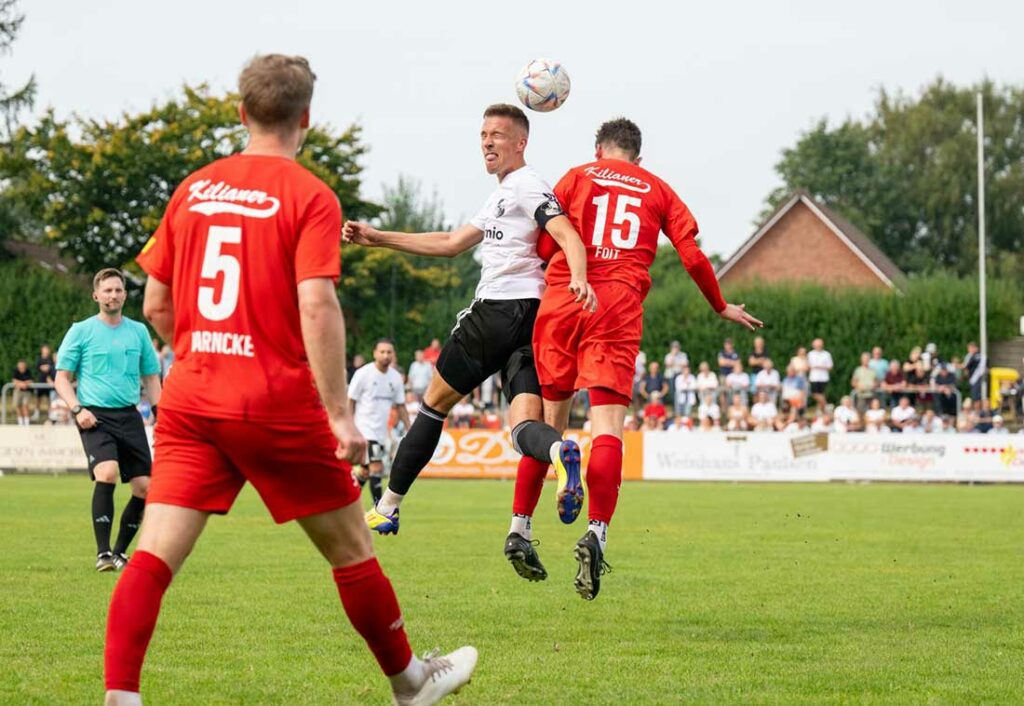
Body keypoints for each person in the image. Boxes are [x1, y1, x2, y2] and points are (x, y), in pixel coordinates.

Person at [108, 55, 475, 706]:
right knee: (352, 549)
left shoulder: (193, 189)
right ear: (306, 118)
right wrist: (339, 414)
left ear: (241, 112)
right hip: (273, 400)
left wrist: (199, 356)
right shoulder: (309, 196)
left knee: (154, 554)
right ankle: (411, 682)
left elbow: (155, 306)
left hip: (194, 398)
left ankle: (121, 697)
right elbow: (317, 304)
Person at [343, 103, 597, 554]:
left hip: (498, 311)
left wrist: (579, 275)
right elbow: (450, 243)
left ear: (521, 143)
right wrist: (379, 237)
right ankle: (559, 452)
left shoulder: (527, 186)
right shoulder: (501, 195)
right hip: (529, 322)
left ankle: (388, 506)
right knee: (523, 426)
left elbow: (567, 234)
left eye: (497, 135)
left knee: (433, 406)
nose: (487, 142)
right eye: (483, 134)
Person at [528, 118, 761, 599]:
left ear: (598, 149)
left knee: (551, 419)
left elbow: (546, 242)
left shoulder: (576, 176)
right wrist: (720, 306)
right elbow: (693, 257)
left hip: (564, 296)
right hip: (617, 303)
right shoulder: (658, 189)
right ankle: (596, 531)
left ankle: (526, 519)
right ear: (639, 156)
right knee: (608, 425)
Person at [52, 269, 162, 572]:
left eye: (118, 290)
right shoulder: (81, 330)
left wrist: (160, 413)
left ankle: (120, 553)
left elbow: (151, 377)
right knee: (108, 472)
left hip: (129, 415)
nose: (113, 295)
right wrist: (77, 409)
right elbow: (62, 379)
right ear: (96, 295)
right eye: (107, 291)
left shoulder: (138, 332)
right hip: (94, 416)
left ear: (125, 294)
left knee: (145, 488)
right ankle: (102, 554)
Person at [349, 339, 410, 506]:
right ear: (374, 353)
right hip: (364, 429)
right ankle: (380, 510)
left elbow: (401, 406)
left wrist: (410, 430)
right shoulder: (363, 373)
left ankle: (344, 503)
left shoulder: (396, 377)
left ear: (393, 354)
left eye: (389, 352)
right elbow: (351, 400)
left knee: (364, 472)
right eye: (382, 352)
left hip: (380, 432)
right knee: (377, 468)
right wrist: (348, 426)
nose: (386, 355)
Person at [807, 338, 833, 411]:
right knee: (815, 394)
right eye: (817, 345)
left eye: (820, 345)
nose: (818, 346)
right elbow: (808, 365)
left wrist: (820, 367)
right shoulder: (810, 354)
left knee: (822, 395)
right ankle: (827, 406)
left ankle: (820, 413)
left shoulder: (826, 354)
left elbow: (830, 366)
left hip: (823, 378)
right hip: (814, 377)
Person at [11, 359, 34, 426]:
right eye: (20, 365)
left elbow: (31, 380)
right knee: (17, 405)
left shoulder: (28, 371)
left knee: (25, 405)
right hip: (18, 391)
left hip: (26, 392)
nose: (21, 367)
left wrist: (23, 384)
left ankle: (26, 422)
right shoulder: (16, 371)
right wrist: (22, 384)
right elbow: (14, 381)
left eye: (22, 365)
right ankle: (20, 421)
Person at [35, 343, 55, 416]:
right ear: (42, 350)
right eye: (45, 350)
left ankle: (50, 413)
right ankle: (36, 413)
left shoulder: (50, 360)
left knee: (49, 399)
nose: (46, 351)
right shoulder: (39, 359)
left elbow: (51, 369)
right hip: (40, 381)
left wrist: (47, 368)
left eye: (47, 350)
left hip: (49, 383)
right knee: (38, 398)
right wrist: (43, 368)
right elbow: (37, 368)